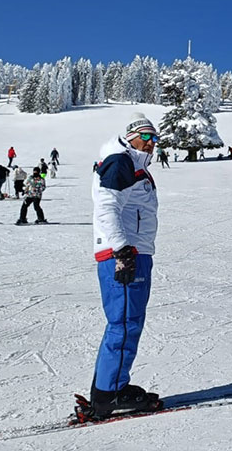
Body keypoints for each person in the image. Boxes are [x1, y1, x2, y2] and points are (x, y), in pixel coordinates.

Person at [87, 112, 162, 418]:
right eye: (146, 137)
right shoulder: (121, 160)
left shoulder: (131, 164)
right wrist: (122, 251)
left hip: (134, 251)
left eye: (155, 139)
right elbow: (106, 207)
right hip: (125, 252)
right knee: (124, 322)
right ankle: (109, 394)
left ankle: (108, 387)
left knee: (128, 321)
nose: (151, 144)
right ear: (131, 137)